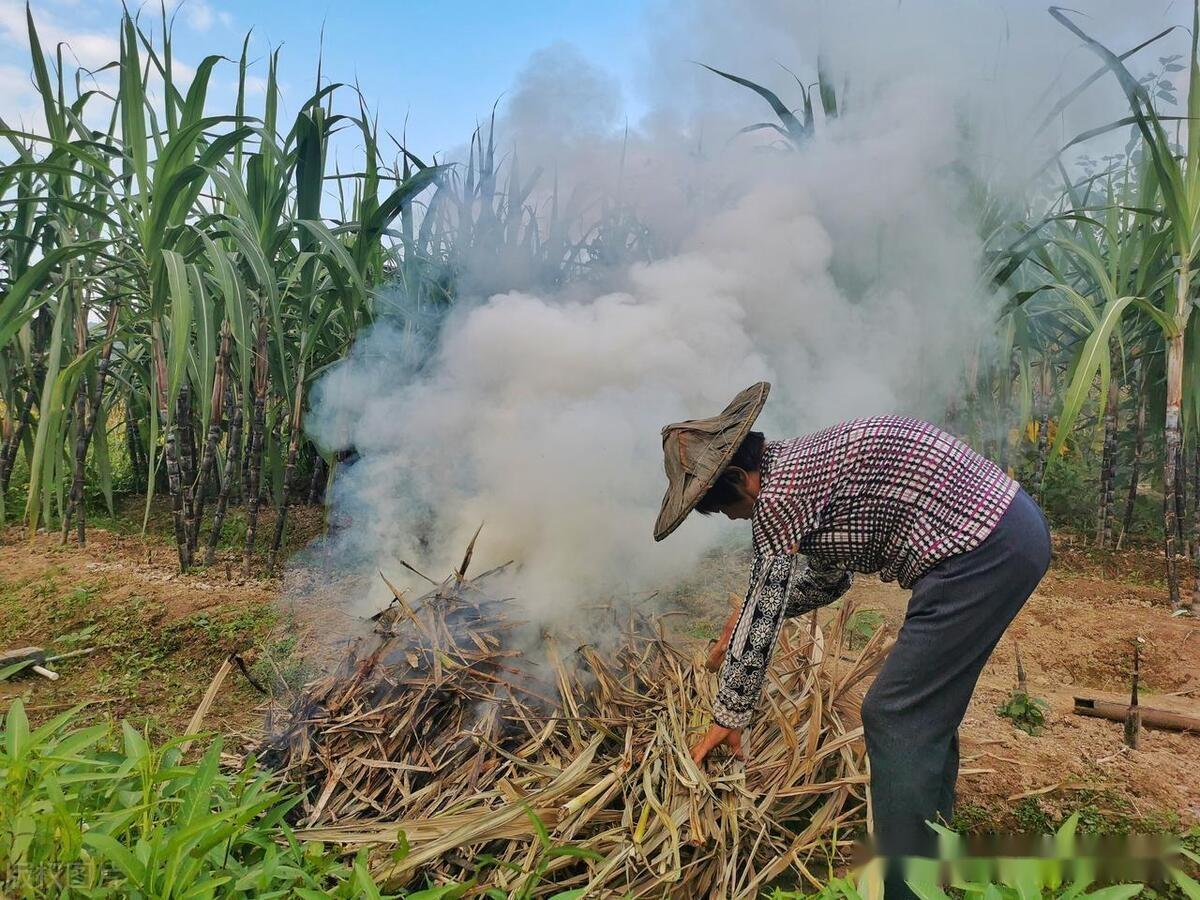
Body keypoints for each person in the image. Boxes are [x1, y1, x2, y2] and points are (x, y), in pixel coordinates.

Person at [653, 382, 1051, 898]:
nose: (729, 518)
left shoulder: (778, 496)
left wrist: (727, 717)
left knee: (894, 713)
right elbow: (827, 580)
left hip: (980, 554)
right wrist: (743, 623)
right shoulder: (803, 471)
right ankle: (934, 854)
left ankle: (908, 886)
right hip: (1004, 533)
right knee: (924, 711)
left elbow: (765, 609)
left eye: (720, 506)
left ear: (736, 479)